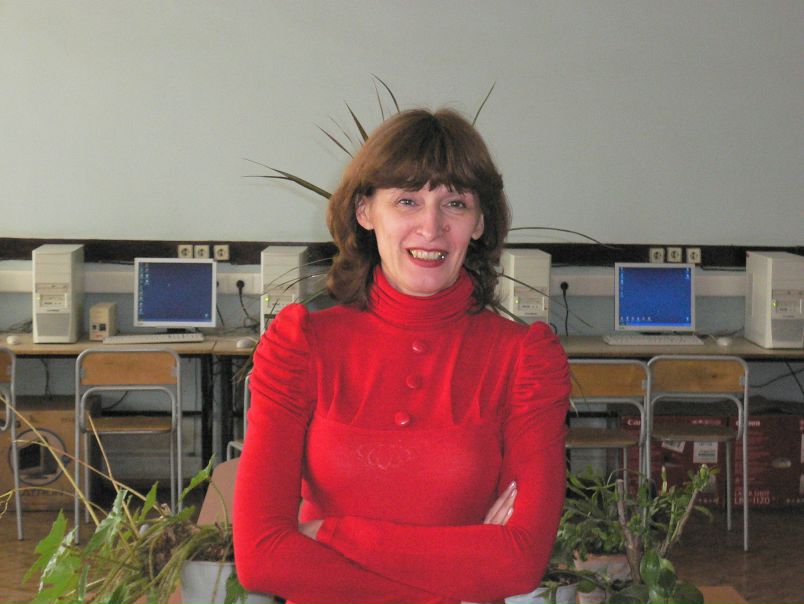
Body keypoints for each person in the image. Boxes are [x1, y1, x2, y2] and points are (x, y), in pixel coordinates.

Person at [233, 108, 570, 604]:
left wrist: (330, 534)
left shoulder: (525, 359)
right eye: (407, 201)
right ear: (365, 212)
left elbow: (519, 563)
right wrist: (464, 565)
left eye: (455, 203)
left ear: (479, 223)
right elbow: (261, 559)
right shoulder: (300, 345)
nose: (431, 227)